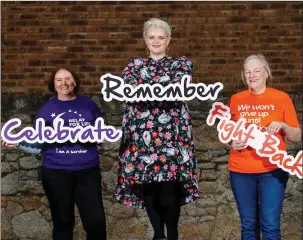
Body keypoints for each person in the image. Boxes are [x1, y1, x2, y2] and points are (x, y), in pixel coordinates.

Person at [114, 18, 199, 240]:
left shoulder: (181, 64)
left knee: (170, 187)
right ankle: (158, 234)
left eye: (161, 37)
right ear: (145, 40)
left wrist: (145, 88)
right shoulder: (134, 66)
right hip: (143, 137)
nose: (156, 41)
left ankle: (172, 233)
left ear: (168, 40)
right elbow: (128, 88)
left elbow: (180, 85)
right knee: (149, 188)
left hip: (172, 136)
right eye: (152, 37)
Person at [1, 67, 107, 240]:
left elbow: (102, 137)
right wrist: (18, 143)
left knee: (96, 223)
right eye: (59, 80)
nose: (63, 83)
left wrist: (92, 145)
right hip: (56, 173)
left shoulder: (89, 105)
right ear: (53, 84)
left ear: (74, 82)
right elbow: (37, 146)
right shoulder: (47, 109)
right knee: (63, 223)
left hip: (87, 173)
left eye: (67, 78)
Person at [227, 54, 301, 240]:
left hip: (272, 171)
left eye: (257, 71)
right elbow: (227, 133)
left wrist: (283, 126)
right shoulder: (235, 99)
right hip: (240, 171)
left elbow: (297, 137)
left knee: (270, 225)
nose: (252, 75)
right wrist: (231, 142)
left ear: (266, 73)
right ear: (244, 76)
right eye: (248, 72)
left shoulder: (281, 98)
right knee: (248, 225)